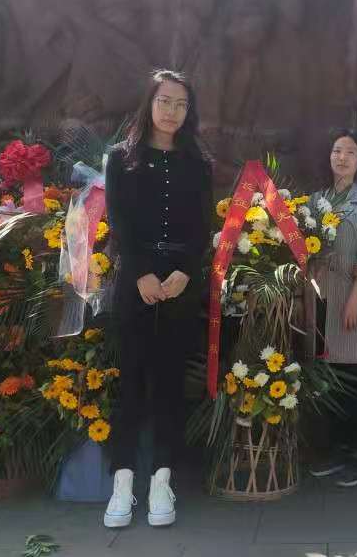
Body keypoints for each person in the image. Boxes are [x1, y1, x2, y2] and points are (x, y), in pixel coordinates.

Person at [103, 69, 213, 528]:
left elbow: (202, 225)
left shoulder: (198, 163)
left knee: (170, 382)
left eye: (181, 104)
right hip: (136, 281)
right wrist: (141, 272)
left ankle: (162, 481)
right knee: (130, 380)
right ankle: (122, 483)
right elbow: (119, 222)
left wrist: (185, 271)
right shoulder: (120, 158)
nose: (172, 111)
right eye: (165, 101)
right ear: (149, 103)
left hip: (179, 284)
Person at [307, 130, 357, 487]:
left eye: (350, 152)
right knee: (327, 380)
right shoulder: (316, 200)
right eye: (337, 150)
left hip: (354, 296)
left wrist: (355, 296)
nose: (342, 157)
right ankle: (333, 450)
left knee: (355, 379)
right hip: (320, 297)